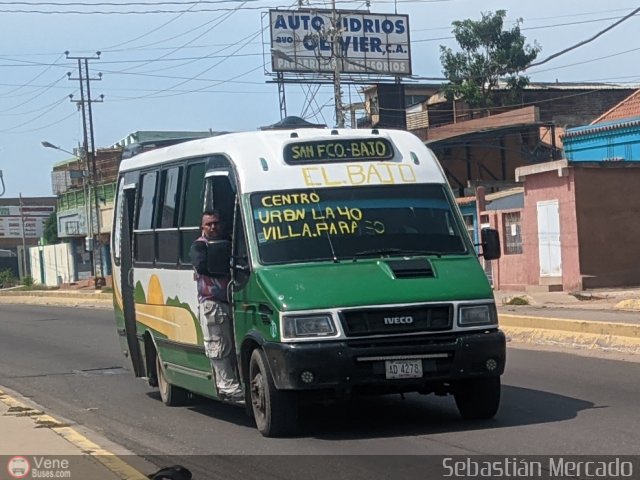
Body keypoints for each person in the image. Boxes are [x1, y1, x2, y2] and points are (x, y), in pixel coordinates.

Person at [190, 210, 243, 403]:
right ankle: (227, 387)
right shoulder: (199, 246)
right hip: (212, 304)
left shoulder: (232, 243)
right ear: (202, 227)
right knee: (218, 347)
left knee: (234, 348)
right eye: (209, 224)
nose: (213, 227)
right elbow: (203, 266)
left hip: (233, 303)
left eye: (216, 223)